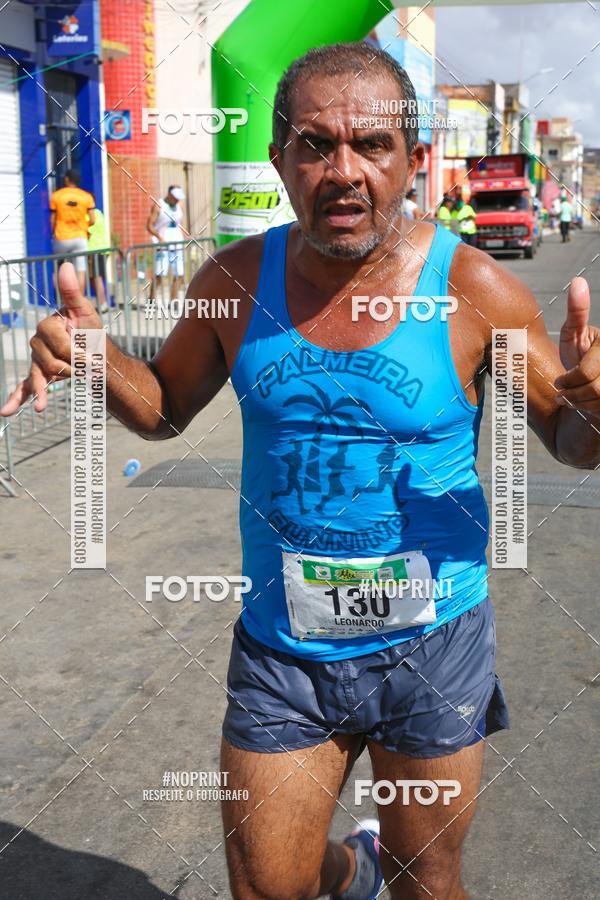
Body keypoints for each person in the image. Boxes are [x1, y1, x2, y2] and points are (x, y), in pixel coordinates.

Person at [4, 43, 600, 900]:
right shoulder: (234, 282)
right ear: (280, 159)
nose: (343, 171)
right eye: (315, 145)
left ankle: (378, 868)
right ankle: (349, 869)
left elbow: (568, 438)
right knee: (270, 886)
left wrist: (594, 411)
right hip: (285, 652)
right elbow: (164, 406)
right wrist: (95, 358)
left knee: (427, 880)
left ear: (413, 162)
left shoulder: (475, 289)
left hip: (433, 645)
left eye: (372, 145)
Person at [49, 169, 95, 292]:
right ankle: (78, 301)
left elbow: (52, 219)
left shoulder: (57, 196)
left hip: (61, 237)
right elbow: (93, 219)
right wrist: (84, 226)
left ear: (67, 179)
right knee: (80, 270)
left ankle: (60, 299)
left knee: (57, 268)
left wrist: (53, 232)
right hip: (80, 236)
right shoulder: (86, 196)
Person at [146, 185, 188, 301]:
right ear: (169, 195)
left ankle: (173, 300)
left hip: (177, 244)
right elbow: (149, 225)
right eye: (175, 197)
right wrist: (159, 237)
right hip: (163, 244)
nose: (177, 200)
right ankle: (151, 300)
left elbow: (178, 223)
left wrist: (184, 234)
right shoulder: (159, 205)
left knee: (179, 273)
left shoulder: (179, 205)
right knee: (160, 274)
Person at [87, 195, 110, 310]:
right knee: (97, 276)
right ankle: (102, 302)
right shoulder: (99, 213)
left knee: (96, 277)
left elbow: (87, 232)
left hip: (94, 249)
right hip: (103, 249)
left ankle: (102, 303)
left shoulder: (89, 216)